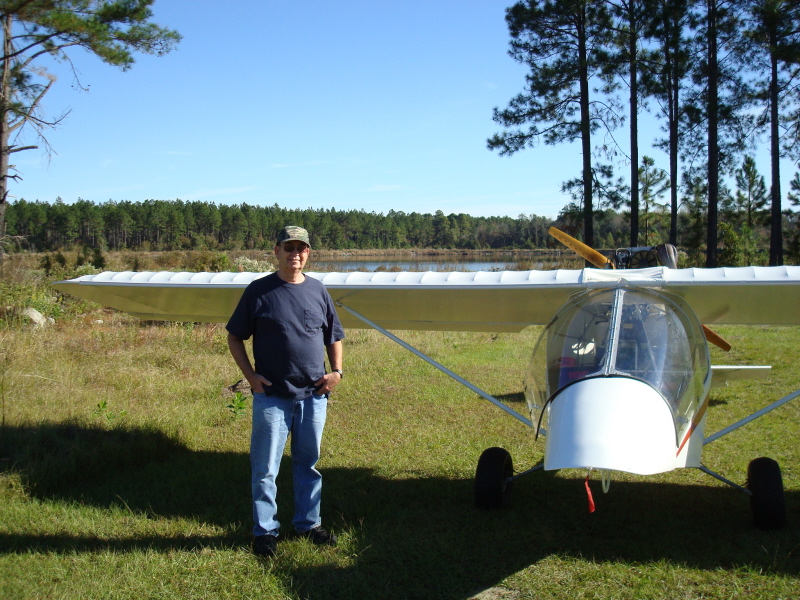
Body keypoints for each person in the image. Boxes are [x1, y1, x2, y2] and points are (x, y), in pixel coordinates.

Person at [226, 225, 344, 558]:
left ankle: (309, 523)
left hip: (313, 396)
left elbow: (333, 335)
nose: (296, 254)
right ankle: (265, 531)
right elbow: (235, 336)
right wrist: (250, 377)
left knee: (308, 463)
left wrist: (336, 372)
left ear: (308, 253)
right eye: (289, 248)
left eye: (301, 248)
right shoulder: (258, 291)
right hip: (272, 397)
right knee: (265, 467)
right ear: (276, 251)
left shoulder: (318, 291)